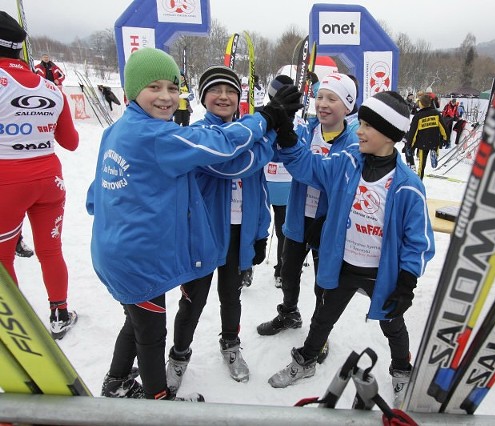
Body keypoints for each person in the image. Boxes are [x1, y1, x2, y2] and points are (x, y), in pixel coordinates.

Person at [86, 48, 293, 401]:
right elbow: (226, 151)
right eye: (154, 87)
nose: (166, 97)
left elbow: (94, 198)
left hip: (119, 251)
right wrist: (269, 120)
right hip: (142, 258)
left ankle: (117, 381)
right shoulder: (161, 137)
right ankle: (159, 401)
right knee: (151, 335)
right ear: (131, 91)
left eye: (171, 87)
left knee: (136, 322)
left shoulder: (120, 129)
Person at [268, 91, 435, 410]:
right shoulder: (346, 163)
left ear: (389, 134)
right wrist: (288, 136)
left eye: (368, 125)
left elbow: (419, 241)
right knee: (323, 318)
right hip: (342, 267)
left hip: (381, 275)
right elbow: (308, 167)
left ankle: (401, 369)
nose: (358, 129)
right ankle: (306, 361)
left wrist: (406, 283)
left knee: (393, 325)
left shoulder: (408, 184)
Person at [166, 65, 286, 387]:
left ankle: (231, 346)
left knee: (231, 297)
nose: (223, 96)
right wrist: (270, 125)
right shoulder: (197, 137)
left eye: (230, 91)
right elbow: (231, 166)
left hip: (239, 235)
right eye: (215, 90)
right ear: (203, 97)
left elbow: (259, 189)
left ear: (239, 98)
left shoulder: (250, 133)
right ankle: (179, 356)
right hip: (203, 236)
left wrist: (260, 234)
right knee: (193, 302)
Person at [256, 73, 360, 358]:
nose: (323, 104)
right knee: (288, 273)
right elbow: (278, 156)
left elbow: (316, 173)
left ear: (348, 105)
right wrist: (277, 124)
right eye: (320, 97)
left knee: (323, 285)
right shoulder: (308, 129)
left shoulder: (353, 141)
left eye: (332, 98)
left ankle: (319, 334)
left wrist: (293, 148)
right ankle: (289, 313)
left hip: (327, 225)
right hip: (299, 218)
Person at [0, 11, 79, 339]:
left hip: (7, 184)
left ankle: (15, 329)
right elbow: (70, 142)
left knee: (3, 259)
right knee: (50, 250)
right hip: (49, 181)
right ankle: (59, 313)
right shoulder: (50, 87)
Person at [263, 75, 296, 288]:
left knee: (261, 227)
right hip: (276, 183)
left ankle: (248, 269)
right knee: (281, 228)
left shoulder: (261, 116)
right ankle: (280, 270)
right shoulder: (293, 120)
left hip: (269, 183)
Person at [405, 92, 448, 177]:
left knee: (422, 164)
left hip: (422, 143)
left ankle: (420, 178)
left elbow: (413, 133)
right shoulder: (436, 113)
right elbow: (443, 128)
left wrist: (409, 145)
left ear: (421, 103)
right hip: (434, 141)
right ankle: (435, 153)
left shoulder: (418, 116)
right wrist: (446, 138)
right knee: (434, 146)